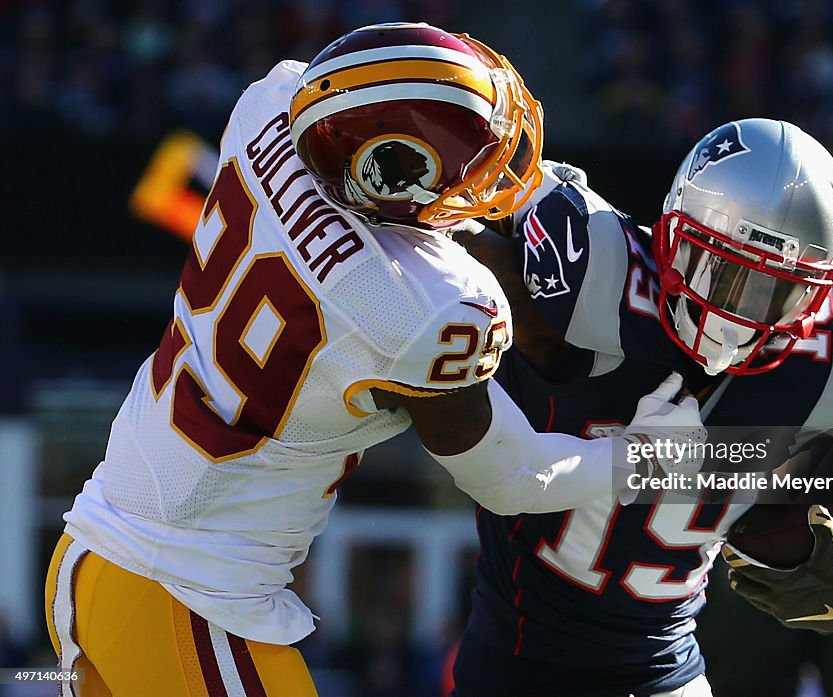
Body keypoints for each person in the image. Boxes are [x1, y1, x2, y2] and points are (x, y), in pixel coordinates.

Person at [43, 23, 707, 697]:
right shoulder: (427, 309)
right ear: (395, 169)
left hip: (97, 548)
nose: (489, 177)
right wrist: (640, 455)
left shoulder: (268, 103)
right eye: (477, 161)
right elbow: (514, 477)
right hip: (189, 598)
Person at [450, 118, 833, 696]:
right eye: (717, 269)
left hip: (665, 670)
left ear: (817, 291)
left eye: (774, 289)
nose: (735, 312)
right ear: (671, 229)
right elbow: (432, 242)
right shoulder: (591, 273)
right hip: (515, 667)